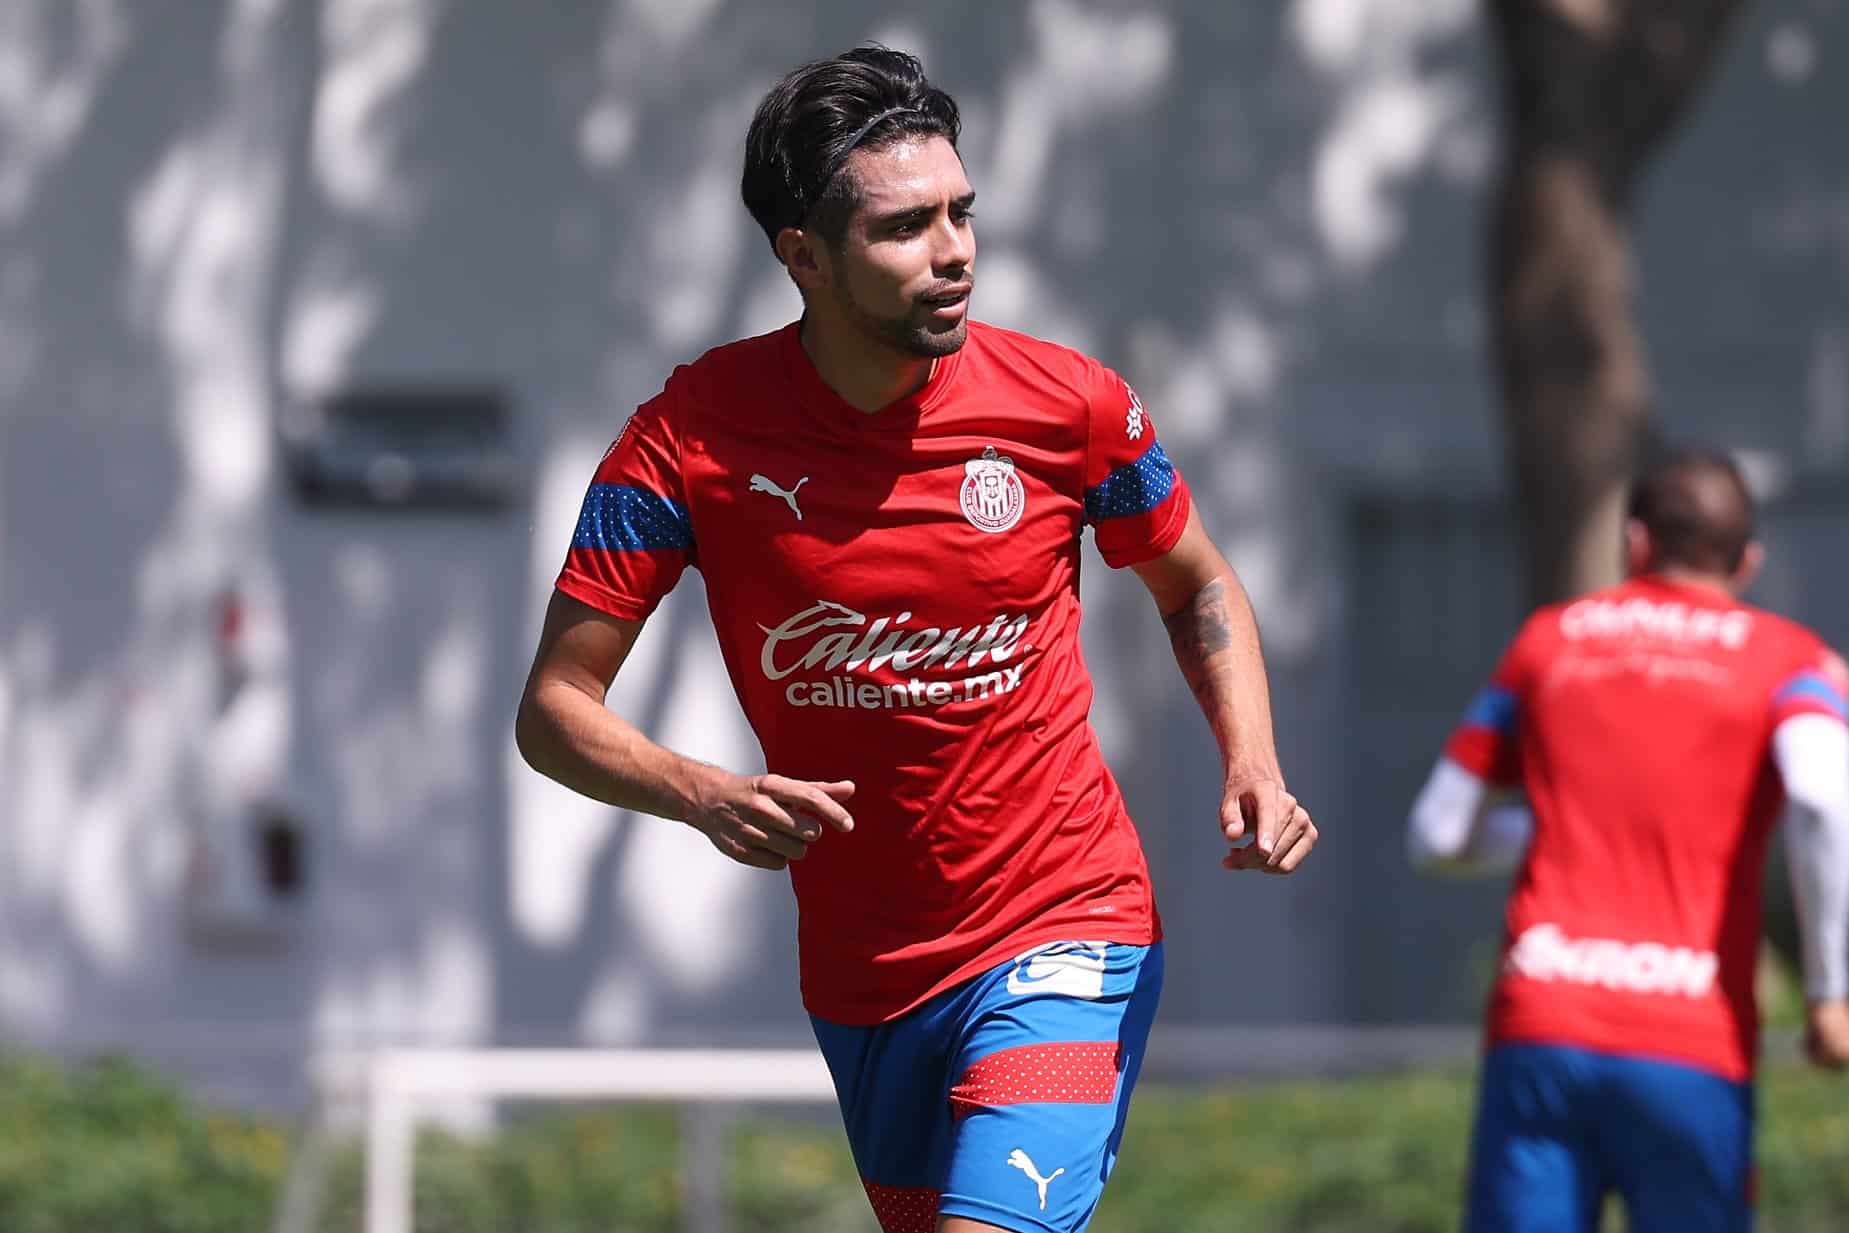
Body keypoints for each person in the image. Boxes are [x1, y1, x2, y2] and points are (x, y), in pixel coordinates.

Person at [514, 45, 1316, 1233]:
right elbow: (553, 710)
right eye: (906, 229)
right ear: (804, 257)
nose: (954, 253)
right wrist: (698, 792)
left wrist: (1251, 759)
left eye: (961, 213)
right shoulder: (687, 441)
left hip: (1066, 922)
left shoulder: (1070, 407)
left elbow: (1196, 586)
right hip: (868, 979)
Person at [1407, 449, 1849, 1233]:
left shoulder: (1549, 642)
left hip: (1543, 1018)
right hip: (1691, 1038)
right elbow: (1820, 797)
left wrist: (1553, 827)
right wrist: (1828, 993)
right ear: (1746, 561)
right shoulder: (1791, 659)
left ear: (1635, 544)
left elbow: (1437, 834)